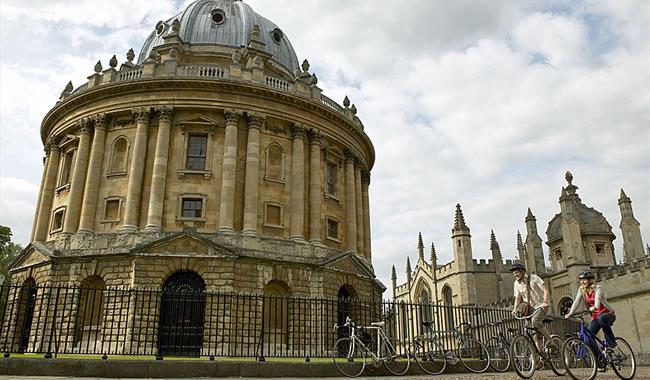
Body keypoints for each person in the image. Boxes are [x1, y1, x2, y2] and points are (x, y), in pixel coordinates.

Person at [564, 270, 616, 369]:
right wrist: (570, 313)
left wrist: (595, 307)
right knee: (588, 338)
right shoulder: (581, 290)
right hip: (596, 317)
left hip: (608, 314)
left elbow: (598, 299)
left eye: (586, 279)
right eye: (582, 280)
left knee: (601, 318)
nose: (584, 282)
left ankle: (611, 343)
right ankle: (600, 361)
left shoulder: (598, 288)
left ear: (591, 280)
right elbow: (576, 302)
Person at [510, 262, 555, 369]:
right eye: (513, 272)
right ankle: (539, 360)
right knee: (535, 335)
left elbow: (545, 290)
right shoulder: (516, 284)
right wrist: (515, 309)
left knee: (535, 321)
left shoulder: (534, 278)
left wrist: (545, 302)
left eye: (517, 271)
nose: (515, 274)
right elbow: (518, 298)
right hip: (530, 307)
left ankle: (551, 340)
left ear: (522, 271)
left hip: (540, 305)